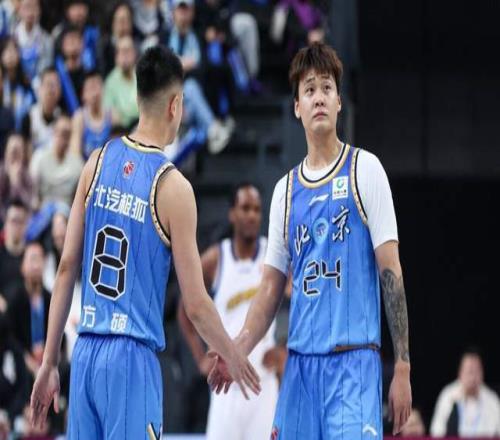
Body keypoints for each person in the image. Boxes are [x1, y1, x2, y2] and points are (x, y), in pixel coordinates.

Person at [29, 45, 260, 439]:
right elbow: (196, 304)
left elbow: (66, 268)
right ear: (176, 105)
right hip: (131, 360)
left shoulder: (95, 162)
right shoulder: (173, 186)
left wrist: (50, 362)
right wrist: (233, 352)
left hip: (85, 353)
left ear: (137, 99)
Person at [208, 42, 412, 438]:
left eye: (327, 88)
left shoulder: (365, 169)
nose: (319, 97)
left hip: (353, 363)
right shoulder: (285, 192)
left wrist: (402, 365)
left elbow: (391, 272)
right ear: (297, 107)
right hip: (300, 369)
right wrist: (237, 348)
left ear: (339, 102)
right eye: (310, 89)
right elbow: (270, 289)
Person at [178, 183, 278, 440]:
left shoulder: (273, 256)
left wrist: (284, 347)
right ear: (232, 213)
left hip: (263, 384)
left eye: (256, 209)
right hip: (226, 386)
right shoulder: (216, 258)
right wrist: (200, 356)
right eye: (245, 208)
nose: (252, 215)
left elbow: (300, 299)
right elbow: (185, 309)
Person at [430, 349, 500, 437]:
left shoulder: (492, 399)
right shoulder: (447, 395)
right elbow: (436, 431)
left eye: (477, 371)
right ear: (460, 373)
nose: (473, 377)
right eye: (470, 371)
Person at [7, 241, 51, 380]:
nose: (36, 265)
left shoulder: (49, 298)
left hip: (46, 360)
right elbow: (10, 337)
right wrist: (28, 360)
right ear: (22, 266)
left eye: (39, 259)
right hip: (22, 362)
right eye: (32, 259)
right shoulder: (15, 298)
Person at [30, 114, 83, 208]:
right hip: (43, 208)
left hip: (66, 209)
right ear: (54, 132)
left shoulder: (77, 164)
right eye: (61, 133)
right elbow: (34, 194)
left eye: (67, 135)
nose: (63, 139)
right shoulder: (39, 157)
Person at [69, 70, 113, 160]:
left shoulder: (112, 115)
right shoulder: (79, 118)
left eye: (97, 86)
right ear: (83, 94)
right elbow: (74, 154)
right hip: (85, 165)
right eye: (91, 88)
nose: (95, 93)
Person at [21, 67, 62, 152]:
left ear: (60, 91)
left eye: (55, 85)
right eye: (48, 84)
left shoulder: (63, 118)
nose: (51, 90)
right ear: (39, 89)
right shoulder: (29, 118)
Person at [103, 35, 139, 129]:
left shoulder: (143, 74)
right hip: (122, 130)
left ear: (134, 53)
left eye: (127, 51)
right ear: (116, 56)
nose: (124, 56)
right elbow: (108, 111)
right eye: (121, 51)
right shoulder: (111, 81)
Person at [0, 133, 34, 223]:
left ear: (23, 154)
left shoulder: (27, 175)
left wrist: (16, 183)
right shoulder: (1, 172)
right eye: (12, 152)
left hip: (22, 223)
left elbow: (29, 205)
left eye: (17, 152)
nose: (14, 156)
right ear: (6, 152)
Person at [0, 200, 29, 304]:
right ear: (6, 223)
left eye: (21, 221)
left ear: (26, 225)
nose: (17, 226)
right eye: (13, 221)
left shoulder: (31, 257)